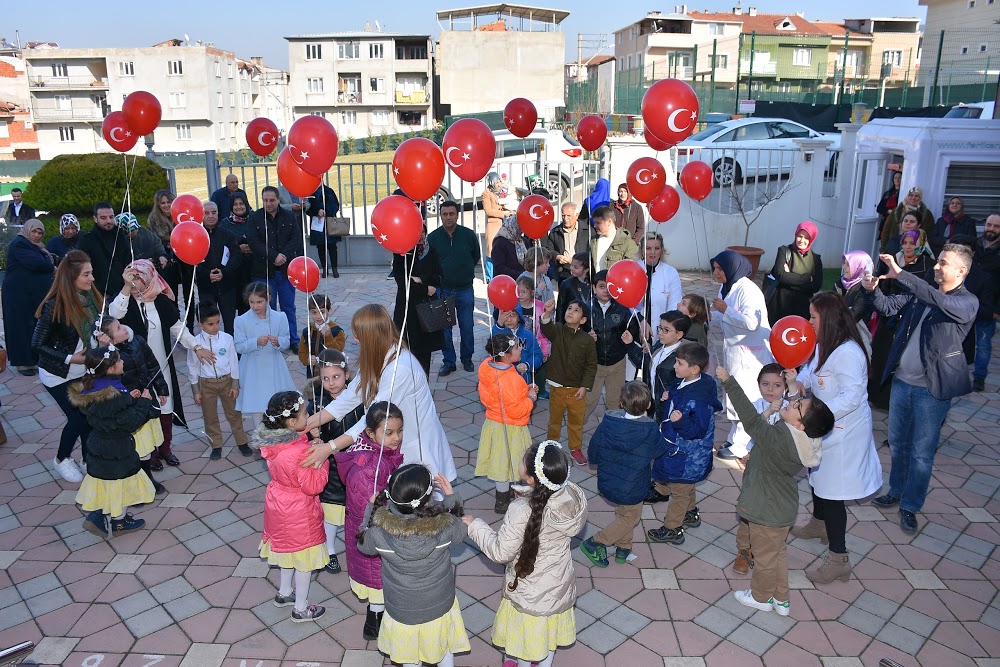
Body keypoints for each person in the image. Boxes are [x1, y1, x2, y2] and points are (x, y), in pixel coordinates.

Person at [865, 245, 978, 534]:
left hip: (932, 390)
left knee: (921, 454)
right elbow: (888, 307)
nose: (938, 266)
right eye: (938, 261)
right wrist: (872, 289)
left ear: (961, 271)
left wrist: (902, 274)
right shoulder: (922, 292)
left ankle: (910, 506)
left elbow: (937, 300)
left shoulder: (966, 302)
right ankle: (896, 491)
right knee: (899, 444)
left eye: (944, 262)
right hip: (902, 382)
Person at [716, 364, 834, 615]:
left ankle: (760, 597)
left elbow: (749, 419)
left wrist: (728, 381)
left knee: (765, 558)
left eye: (798, 405)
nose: (793, 402)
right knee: (777, 554)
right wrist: (792, 387)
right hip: (782, 509)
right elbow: (791, 412)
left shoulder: (781, 437)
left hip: (766, 508)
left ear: (801, 424)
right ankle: (781, 599)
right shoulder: (805, 438)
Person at [785, 292, 883, 582]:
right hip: (823, 423)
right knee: (816, 473)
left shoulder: (849, 353)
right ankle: (818, 524)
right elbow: (812, 373)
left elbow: (852, 397)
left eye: (813, 316)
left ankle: (839, 558)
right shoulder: (824, 344)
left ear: (827, 318)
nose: (809, 321)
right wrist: (799, 380)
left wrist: (814, 412)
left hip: (843, 430)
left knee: (833, 493)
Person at [302, 304, 458, 484]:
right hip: (394, 440)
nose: (355, 340)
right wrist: (307, 424)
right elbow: (352, 394)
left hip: (415, 444)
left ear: (371, 337)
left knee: (417, 498)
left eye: (358, 336)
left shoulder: (400, 368)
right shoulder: (377, 354)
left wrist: (329, 447)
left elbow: (373, 418)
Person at [464, 442, 587, 667]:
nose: (520, 460)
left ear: (531, 479)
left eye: (523, 460)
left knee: (525, 637)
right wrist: (526, 494)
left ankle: (519, 662)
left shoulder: (521, 510)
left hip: (528, 591)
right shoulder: (571, 497)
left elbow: (500, 552)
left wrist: (475, 526)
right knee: (547, 638)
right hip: (557, 585)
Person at [357, 465, 470, 667]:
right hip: (440, 604)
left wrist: (370, 511)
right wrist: (451, 497)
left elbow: (363, 545)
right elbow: (461, 531)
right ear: (427, 500)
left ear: (390, 497)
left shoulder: (378, 533)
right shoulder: (445, 526)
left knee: (410, 657)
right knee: (443, 648)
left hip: (402, 609)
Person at [108, 259, 210, 471]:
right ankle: (150, 453)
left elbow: (178, 329)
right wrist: (126, 287)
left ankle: (165, 448)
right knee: (144, 408)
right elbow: (113, 315)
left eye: (139, 279)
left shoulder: (162, 302)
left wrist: (197, 347)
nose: (137, 284)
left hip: (161, 365)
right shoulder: (125, 301)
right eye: (133, 280)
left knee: (165, 405)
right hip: (135, 369)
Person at [254, 391, 329, 623]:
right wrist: (322, 459)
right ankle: (301, 608)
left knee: (288, 554)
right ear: (292, 422)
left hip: (278, 503)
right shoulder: (298, 451)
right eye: (305, 413)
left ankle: (284, 593)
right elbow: (313, 485)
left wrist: (310, 444)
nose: (308, 416)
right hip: (299, 510)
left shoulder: (274, 443)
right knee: (304, 561)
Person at [69, 346, 159, 538]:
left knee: (104, 482)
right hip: (118, 448)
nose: (123, 362)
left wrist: (129, 399)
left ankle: (99, 515)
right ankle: (119, 521)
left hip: (97, 445)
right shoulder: (114, 396)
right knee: (121, 484)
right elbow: (130, 423)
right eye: (119, 360)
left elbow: (110, 415)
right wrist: (143, 402)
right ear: (110, 369)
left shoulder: (93, 389)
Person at [31, 250, 103, 482]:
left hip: (83, 370)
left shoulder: (90, 300)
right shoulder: (54, 306)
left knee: (89, 415)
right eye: (87, 274)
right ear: (72, 276)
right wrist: (70, 358)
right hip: (57, 374)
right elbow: (37, 344)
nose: (92, 278)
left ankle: (86, 459)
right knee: (78, 419)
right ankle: (62, 459)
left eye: (91, 273)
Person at [338, 401, 406, 640]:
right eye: (388, 433)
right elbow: (371, 509)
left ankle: (376, 617)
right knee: (378, 579)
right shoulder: (369, 468)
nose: (396, 438)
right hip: (373, 534)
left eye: (399, 431)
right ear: (370, 433)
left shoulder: (380, 455)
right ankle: (375, 622)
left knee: (377, 579)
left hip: (373, 532)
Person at [581, 381, 668, 567]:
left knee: (623, 514)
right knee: (631, 517)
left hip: (609, 480)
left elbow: (593, 452)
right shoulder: (650, 429)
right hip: (634, 484)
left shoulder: (608, 423)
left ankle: (623, 548)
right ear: (649, 405)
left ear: (621, 403)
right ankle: (596, 542)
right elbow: (660, 450)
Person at [647, 343, 722, 544]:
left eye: (679, 363)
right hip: (681, 451)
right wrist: (669, 396)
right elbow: (678, 392)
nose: (674, 367)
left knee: (679, 491)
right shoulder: (690, 381)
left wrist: (681, 422)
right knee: (686, 484)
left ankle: (673, 528)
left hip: (687, 454)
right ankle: (691, 513)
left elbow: (697, 430)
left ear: (694, 369)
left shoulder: (698, 400)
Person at [711, 250, 774, 460]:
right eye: (715, 268)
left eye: (720, 269)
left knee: (744, 396)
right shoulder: (726, 287)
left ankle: (742, 444)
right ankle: (736, 436)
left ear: (731, 268)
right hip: (734, 351)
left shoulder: (748, 290)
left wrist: (727, 310)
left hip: (751, 353)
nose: (716, 273)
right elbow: (722, 317)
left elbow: (751, 322)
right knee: (733, 394)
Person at [305, 348, 364, 575]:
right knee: (330, 510)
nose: (331, 383)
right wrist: (314, 434)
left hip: (355, 461)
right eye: (326, 378)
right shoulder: (316, 402)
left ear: (347, 375)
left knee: (355, 509)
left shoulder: (358, 398)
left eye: (336, 377)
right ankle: (329, 551)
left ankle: (356, 547)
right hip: (329, 462)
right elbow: (310, 429)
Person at [98, 317, 169, 495]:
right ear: (108, 338)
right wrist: (102, 348)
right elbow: (106, 381)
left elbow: (152, 365)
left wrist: (161, 388)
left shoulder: (137, 341)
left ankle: (147, 478)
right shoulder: (108, 356)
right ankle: (135, 484)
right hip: (128, 408)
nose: (124, 329)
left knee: (146, 445)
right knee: (135, 447)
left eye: (122, 325)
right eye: (118, 328)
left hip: (145, 401)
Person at [868, 230, 936, 409]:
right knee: (880, 354)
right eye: (905, 243)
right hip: (888, 313)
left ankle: (892, 400)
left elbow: (923, 290)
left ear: (920, 245)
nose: (907, 247)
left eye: (912, 243)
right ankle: (876, 396)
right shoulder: (894, 259)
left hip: (910, 317)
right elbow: (881, 280)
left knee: (898, 358)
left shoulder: (928, 265)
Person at [730, 362, 786, 572]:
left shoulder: (790, 408)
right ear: (758, 385)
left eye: (777, 385)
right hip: (755, 468)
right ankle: (744, 550)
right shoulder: (754, 405)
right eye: (765, 384)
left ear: (786, 386)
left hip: (778, 470)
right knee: (748, 509)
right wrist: (768, 412)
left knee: (773, 509)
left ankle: (766, 549)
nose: (771, 390)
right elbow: (748, 431)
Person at [478, 333, 539, 514]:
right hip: (511, 427)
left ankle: (503, 498)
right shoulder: (511, 378)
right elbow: (517, 409)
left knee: (499, 461)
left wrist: (525, 390)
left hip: (493, 424)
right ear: (506, 355)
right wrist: (531, 398)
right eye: (517, 348)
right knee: (511, 462)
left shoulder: (487, 367)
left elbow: (504, 396)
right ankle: (508, 499)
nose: (521, 349)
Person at [188, 304, 251, 460]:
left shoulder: (227, 339)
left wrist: (235, 384)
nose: (215, 327)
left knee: (234, 413)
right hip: (206, 384)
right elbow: (192, 367)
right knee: (210, 416)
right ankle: (216, 445)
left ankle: (242, 441)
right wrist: (196, 390)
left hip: (227, 382)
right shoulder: (195, 344)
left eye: (218, 322)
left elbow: (233, 362)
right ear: (200, 325)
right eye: (210, 324)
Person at [246, 185, 303, 350]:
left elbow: (296, 238)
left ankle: (292, 340)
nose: (269, 203)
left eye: (272, 200)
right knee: (267, 309)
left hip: (285, 272)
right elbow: (254, 242)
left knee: (288, 308)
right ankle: (270, 340)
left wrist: (282, 256)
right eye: (265, 200)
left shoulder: (289, 216)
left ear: (279, 200)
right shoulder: (255, 217)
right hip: (263, 272)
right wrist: (273, 256)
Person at [541, 299, 597, 466]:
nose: (570, 312)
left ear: (583, 320)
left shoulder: (587, 340)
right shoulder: (557, 330)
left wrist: (584, 386)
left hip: (577, 390)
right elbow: (546, 326)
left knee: (576, 421)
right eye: (569, 308)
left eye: (576, 310)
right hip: (557, 387)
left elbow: (591, 365)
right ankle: (551, 446)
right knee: (555, 420)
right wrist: (548, 312)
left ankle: (575, 447)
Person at [428, 200, 480, 377]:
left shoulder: (468, 235)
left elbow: (475, 256)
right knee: (445, 330)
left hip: (465, 289)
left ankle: (467, 359)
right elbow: (430, 263)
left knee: (467, 327)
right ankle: (448, 362)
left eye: (452, 214)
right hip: (443, 290)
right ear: (441, 215)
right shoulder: (433, 238)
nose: (448, 217)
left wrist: (464, 273)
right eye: (445, 214)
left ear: (457, 215)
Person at [77, 203, 167, 297]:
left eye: (111, 217)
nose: (108, 221)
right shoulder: (87, 241)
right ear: (95, 219)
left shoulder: (120, 234)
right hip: (102, 294)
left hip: (126, 290)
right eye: (103, 218)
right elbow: (84, 269)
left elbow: (128, 259)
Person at [585, 270, 642, 418]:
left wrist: (630, 334)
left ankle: (614, 430)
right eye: (601, 287)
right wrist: (586, 337)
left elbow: (633, 328)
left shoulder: (622, 308)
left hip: (617, 363)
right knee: (589, 400)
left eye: (609, 287)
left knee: (615, 401)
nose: (606, 291)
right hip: (593, 363)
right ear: (594, 288)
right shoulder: (586, 308)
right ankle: (576, 429)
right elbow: (575, 331)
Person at [233, 282, 295, 414]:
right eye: (252, 302)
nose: (255, 306)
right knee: (255, 402)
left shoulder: (280, 317)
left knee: (276, 400)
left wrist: (278, 342)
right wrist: (255, 342)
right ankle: (258, 432)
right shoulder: (241, 320)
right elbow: (239, 346)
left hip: (274, 363)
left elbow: (286, 340)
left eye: (259, 302)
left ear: (268, 299)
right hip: (252, 366)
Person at [2, 219, 54, 375]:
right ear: (27, 230)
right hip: (18, 296)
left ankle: (33, 360)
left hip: (30, 296)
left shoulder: (36, 247)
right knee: (20, 328)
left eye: (40, 233)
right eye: (34, 231)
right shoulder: (19, 244)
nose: (37, 235)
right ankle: (23, 363)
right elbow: (38, 264)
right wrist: (50, 265)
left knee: (32, 327)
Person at [392, 225, 444, 375]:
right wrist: (424, 288)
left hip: (426, 308)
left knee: (424, 352)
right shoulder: (402, 253)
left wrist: (420, 280)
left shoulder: (431, 251)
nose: (420, 235)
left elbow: (439, 277)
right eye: (417, 232)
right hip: (406, 308)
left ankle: (423, 385)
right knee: (404, 349)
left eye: (423, 232)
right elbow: (402, 281)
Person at [195, 201, 243, 334]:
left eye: (214, 212)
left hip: (227, 286)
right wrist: (206, 274)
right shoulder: (196, 235)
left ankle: (231, 350)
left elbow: (236, 257)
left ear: (218, 213)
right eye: (207, 213)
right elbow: (192, 262)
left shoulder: (227, 234)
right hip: (206, 288)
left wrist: (224, 273)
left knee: (230, 323)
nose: (211, 216)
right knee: (208, 322)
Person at [765, 221, 823, 325]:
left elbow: (816, 286)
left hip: (803, 308)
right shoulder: (784, 251)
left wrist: (789, 278)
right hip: (780, 305)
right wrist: (807, 279)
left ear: (812, 239)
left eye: (806, 238)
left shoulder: (816, 259)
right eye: (800, 236)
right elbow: (780, 275)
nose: (802, 240)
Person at [973, 214, 1000, 392]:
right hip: (967, 300)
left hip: (989, 305)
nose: (991, 229)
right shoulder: (974, 244)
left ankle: (979, 377)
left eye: (996, 226)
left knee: (983, 344)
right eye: (989, 225)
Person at [834, 251, 876, 354]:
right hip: (836, 335)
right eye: (844, 263)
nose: (844, 267)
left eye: (849, 265)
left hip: (856, 340)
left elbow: (853, 315)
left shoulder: (865, 289)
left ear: (859, 267)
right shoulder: (841, 283)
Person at [219, 191, 255, 306]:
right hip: (235, 270)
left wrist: (253, 247)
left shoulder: (254, 219)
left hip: (254, 269)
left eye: (241, 203)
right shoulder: (225, 223)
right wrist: (238, 249)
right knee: (240, 303)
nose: (239, 207)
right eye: (235, 204)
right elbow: (221, 246)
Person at [491, 309, 543, 386]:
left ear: (519, 317)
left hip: (523, 379)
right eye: (506, 316)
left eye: (512, 315)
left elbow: (537, 355)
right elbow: (494, 346)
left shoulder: (528, 335)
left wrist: (527, 365)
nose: (509, 320)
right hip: (502, 378)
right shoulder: (499, 332)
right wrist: (499, 324)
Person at [298, 294, 346, 378]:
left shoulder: (337, 330)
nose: (318, 316)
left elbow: (338, 352)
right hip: (313, 373)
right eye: (314, 312)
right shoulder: (307, 331)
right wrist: (307, 359)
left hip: (331, 373)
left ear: (329, 310)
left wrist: (328, 336)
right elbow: (302, 352)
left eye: (322, 312)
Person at [545, 202, 591, 284]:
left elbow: (592, 251)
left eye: (569, 216)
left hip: (583, 273)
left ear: (576, 215)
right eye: (563, 215)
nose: (565, 218)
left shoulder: (588, 231)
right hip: (563, 272)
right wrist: (557, 256)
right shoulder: (555, 232)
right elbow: (548, 250)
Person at [879, 186, 935, 252]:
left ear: (920, 198)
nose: (913, 198)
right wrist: (883, 248)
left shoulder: (927, 214)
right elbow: (886, 230)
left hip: (915, 249)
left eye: (916, 196)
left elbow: (930, 233)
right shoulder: (896, 210)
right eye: (911, 195)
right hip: (895, 246)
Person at [307, 182, 342, 278]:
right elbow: (307, 208)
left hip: (330, 222)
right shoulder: (311, 193)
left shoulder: (329, 191)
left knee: (332, 247)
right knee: (320, 247)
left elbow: (336, 205)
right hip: (317, 223)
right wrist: (316, 211)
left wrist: (326, 211)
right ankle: (324, 268)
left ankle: (335, 268)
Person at [590, 205, 639, 272]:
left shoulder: (627, 244)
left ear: (609, 222)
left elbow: (631, 269)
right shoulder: (593, 241)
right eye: (595, 222)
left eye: (598, 223)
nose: (595, 226)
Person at [483, 172, 516, 258]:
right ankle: (490, 271)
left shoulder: (503, 192)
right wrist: (503, 213)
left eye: (499, 182)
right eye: (496, 182)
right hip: (493, 225)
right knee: (492, 252)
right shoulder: (486, 193)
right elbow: (488, 211)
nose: (499, 185)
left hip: (505, 226)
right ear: (491, 183)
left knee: (503, 253)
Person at [556, 251, 592, 324]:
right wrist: (559, 327)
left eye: (575, 267)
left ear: (586, 269)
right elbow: (560, 308)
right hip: (571, 324)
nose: (571, 268)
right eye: (571, 265)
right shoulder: (566, 283)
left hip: (588, 323)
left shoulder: (593, 283)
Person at [492, 214, 528, 280]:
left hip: (524, 281)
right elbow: (499, 267)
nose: (521, 232)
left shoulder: (523, 241)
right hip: (506, 281)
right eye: (519, 228)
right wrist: (519, 274)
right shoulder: (500, 243)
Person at [875, 171, 901, 243]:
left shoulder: (903, 193)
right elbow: (879, 208)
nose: (897, 180)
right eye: (895, 178)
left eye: (899, 178)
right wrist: (888, 211)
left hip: (896, 223)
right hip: (886, 222)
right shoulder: (888, 193)